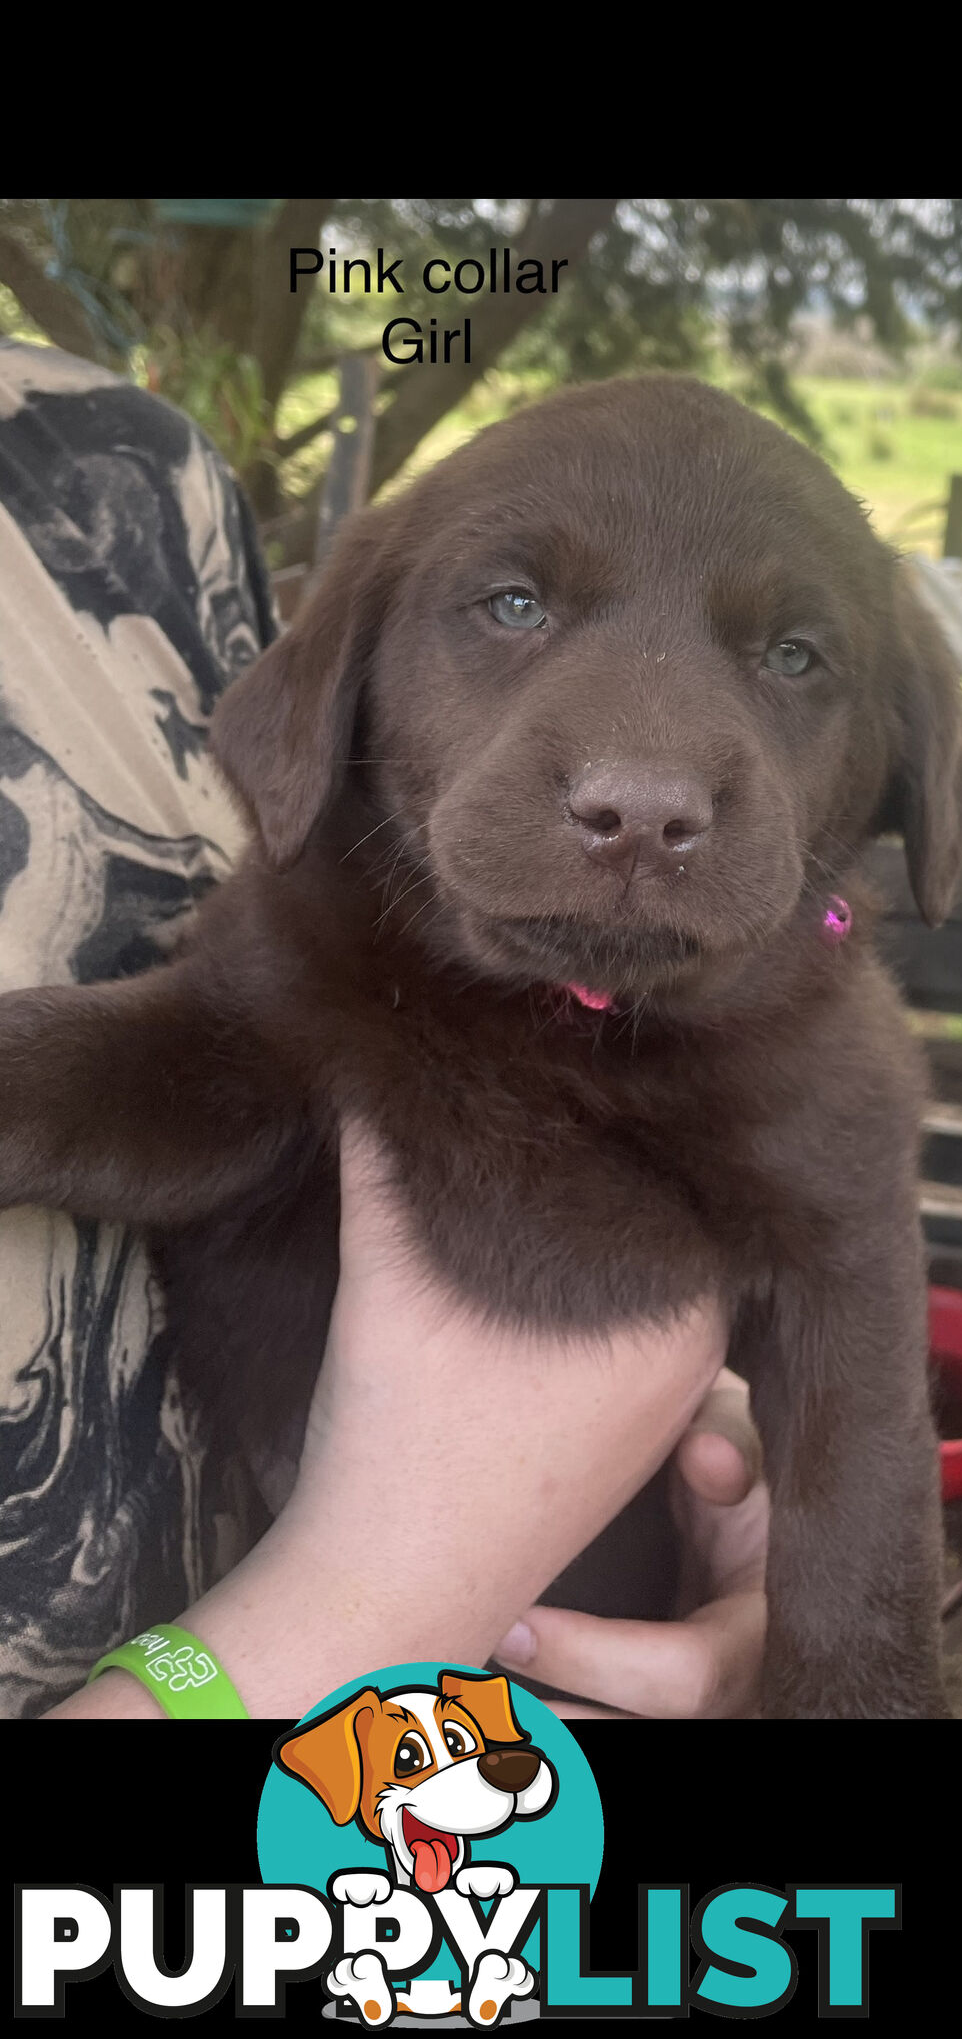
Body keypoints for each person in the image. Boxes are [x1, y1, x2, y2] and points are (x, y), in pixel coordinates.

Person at [0, 338, 767, 1722]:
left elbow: (236, 1060)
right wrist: (392, 1590)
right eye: (517, 602)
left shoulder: (111, 456)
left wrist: (683, 1423)